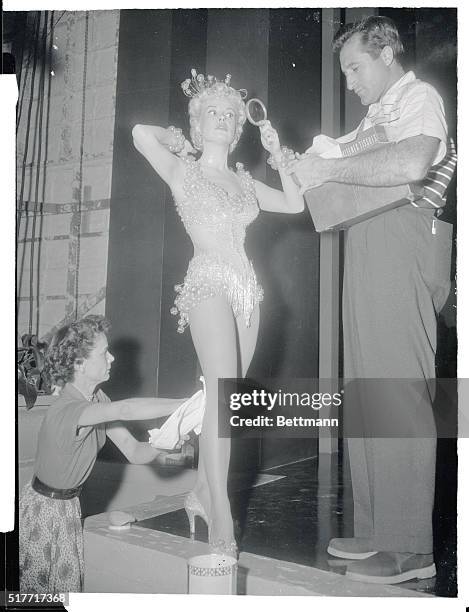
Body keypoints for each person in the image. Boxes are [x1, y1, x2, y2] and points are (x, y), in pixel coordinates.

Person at [287, 16, 451, 584]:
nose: (350, 81)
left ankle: (411, 547)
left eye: (355, 67)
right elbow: (334, 183)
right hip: (366, 243)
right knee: (367, 388)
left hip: (403, 241)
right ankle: (379, 528)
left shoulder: (418, 96)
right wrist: (300, 164)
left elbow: (412, 164)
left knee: (398, 389)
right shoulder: (372, 118)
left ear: (386, 53)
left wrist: (329, 165)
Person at [132, 70, 303, 556]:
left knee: (223, 404)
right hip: (206, 281)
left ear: (238, 127)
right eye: (215, 113)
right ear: (199, 122)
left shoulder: (245, 183)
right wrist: (172, 137)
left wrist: (276, 153)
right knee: (224, 396)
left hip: (248, 291)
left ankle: (201, 494)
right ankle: (221, 518)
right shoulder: (182, 171)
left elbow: (294, 203)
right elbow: (139, 135)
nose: (225, 120)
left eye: (231, 115)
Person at [19, 315, 187, 593]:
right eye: (103, 353)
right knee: (39, 596)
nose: (112, 359)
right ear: (79, 363)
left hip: (69, 507)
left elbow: (135, 452)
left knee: (66, 592)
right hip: (43, 512)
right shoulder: (66, 408)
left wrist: (170, 435)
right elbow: (126, 410)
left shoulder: (97, 399)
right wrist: (186, 404)